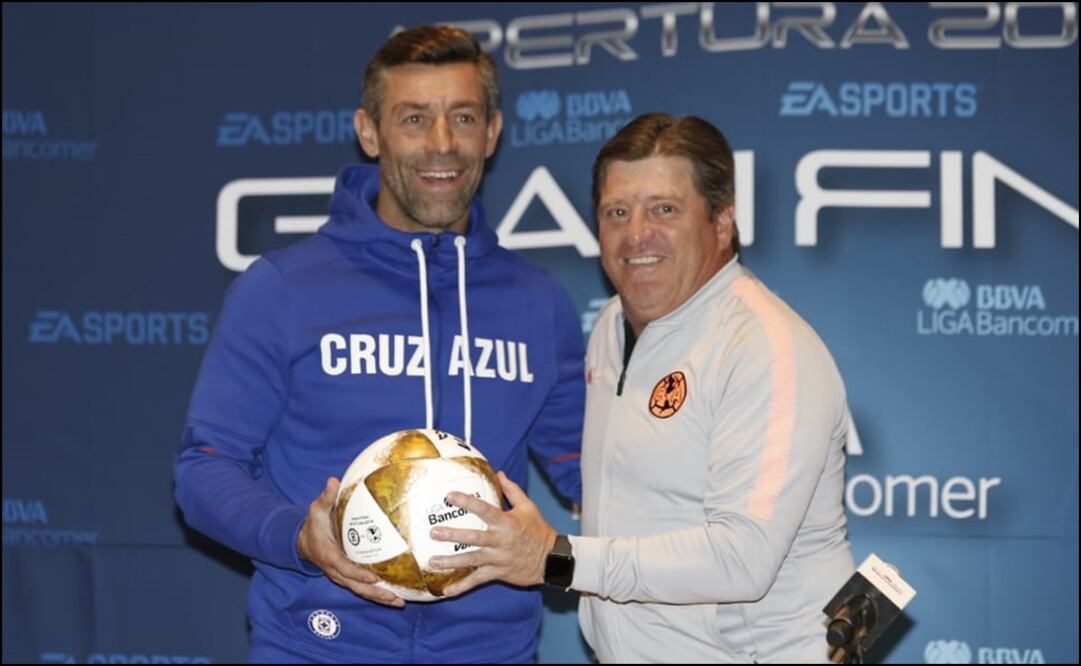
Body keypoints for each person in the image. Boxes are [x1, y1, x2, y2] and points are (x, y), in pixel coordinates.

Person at [173, 26, 585, 663]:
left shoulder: (539, 303)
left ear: (492, 132)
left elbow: (591, 470)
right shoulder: (283, 288)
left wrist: (565, 556)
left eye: (463, 117)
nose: (442, 143)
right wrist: (298, 538)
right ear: (370, 132)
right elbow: (204, 467)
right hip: (315, 645)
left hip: (492, 650)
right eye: (414, 118)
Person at [429, 113, 855, 663]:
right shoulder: (610, 326)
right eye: (617, 212)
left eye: (665, 209)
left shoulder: (766, 348)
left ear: (722, 223)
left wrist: (556, 558)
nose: (636, 234)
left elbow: (742, 558)